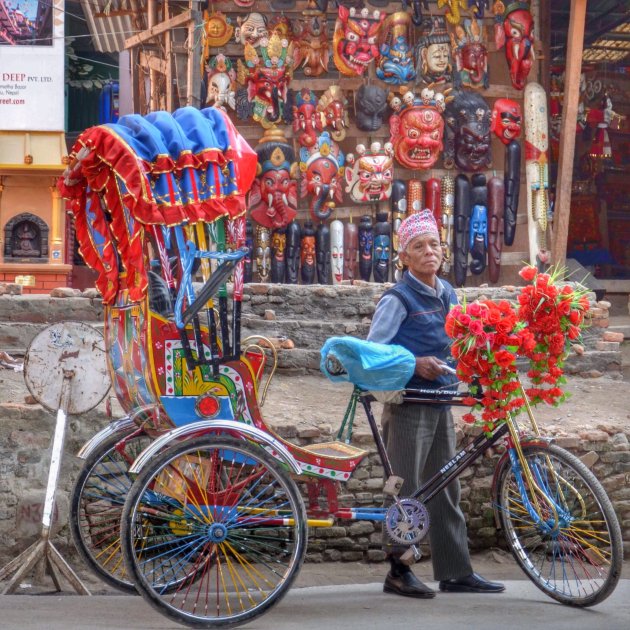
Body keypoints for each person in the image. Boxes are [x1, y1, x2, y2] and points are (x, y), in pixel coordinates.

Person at [367, 209, 505, 599]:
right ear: (403, 258)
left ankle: (455, 571)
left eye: (434, 244)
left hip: (441, 402)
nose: (429, 252)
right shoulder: (398, 298)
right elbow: (373, 351)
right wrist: (414, 363)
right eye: (418, 246)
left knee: (446, 488)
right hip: (408, 405)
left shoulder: (448, 292)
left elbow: (460, 341)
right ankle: (398, 568)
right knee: (405, 489)